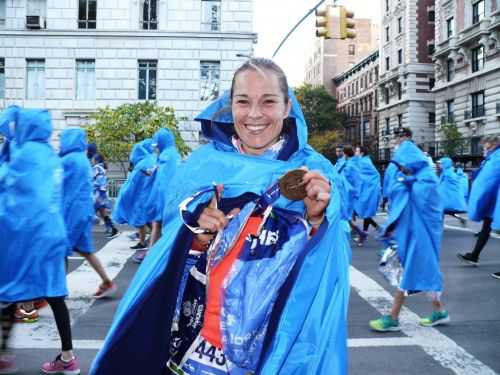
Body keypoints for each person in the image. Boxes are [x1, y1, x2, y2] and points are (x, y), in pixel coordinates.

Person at [89, 58, 351, 375]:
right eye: (243, 102)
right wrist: (197, 230)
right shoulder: (201, 164)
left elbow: (327, 271)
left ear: (287, 107)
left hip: (269, 351)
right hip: (194, 343)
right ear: (230, 106)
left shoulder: (316, 173)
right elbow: (170, 250)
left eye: (268, 102)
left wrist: (317, 220)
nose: (254, 114)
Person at [0, 108, 80, 374]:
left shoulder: (22, 156)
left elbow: (8, 186)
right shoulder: (52, 157)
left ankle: (3, 351)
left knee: (8, 292)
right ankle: (68, 358)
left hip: (26, 237)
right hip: (53, 236)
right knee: (55, 296)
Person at [370, 127, 449, 332]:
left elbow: (427, 202)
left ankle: (392, 317)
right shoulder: (413, 179)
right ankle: (439, 311)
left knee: (410, 273)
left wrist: (408, 181)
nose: (401, 169)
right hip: (411, 234)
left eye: (403, 165)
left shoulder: (424, 180)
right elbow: (397, 196)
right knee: (420, 271)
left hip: (419, 235)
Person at [59, 127, 117, 299]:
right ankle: (107, 281)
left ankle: (57, 290)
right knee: (85, 250)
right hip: (83, 212)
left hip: (71, 212)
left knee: (60, 249)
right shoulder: (82, 160)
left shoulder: (68, 160)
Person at [457, 136, 500, 275]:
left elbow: (489, 181)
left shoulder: (496, 158)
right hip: (493, 202)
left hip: (495, 201)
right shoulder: (492, 159)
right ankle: (474, 255)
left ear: (492, 145)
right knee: (485, 228)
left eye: (485, 146)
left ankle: (474, 255)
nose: (483, 149)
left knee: (487, 228)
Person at [112, 139, 156, 262]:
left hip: (143, 198)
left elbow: (133, 184)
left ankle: (149, 245)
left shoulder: (142, 164)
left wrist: (124, 196)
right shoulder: (152, 160)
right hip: (150, 197)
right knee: (148, 222)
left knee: (147, 222)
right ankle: (144, 242)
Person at [145, 128, 181, 249]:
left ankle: (153, 258)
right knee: (159, 227)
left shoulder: (166, 156)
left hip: (165, 201)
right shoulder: (173, 154)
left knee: (159, 227)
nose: (155, 149)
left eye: (157, 145)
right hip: (173, 199)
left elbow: (162, 183)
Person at [354, 146, 381, 236]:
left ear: (361, 153)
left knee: (363, 211)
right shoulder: (362, 161)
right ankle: (375, 228)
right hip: (366, 190)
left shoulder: (364, 162)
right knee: (364, 211)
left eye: (357, 151)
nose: (355, 152)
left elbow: (371, 175)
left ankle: (362, 232)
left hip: (368, 191)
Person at [92, 152, 119, 239]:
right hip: (102, 192)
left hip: (98, 192)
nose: (92, 160)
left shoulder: (96, 168)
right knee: (102, 212)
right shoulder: (102, 168)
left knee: (90, 211)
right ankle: (112, 228)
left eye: (93, 159)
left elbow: (91, 178)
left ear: (96, 160)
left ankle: (81, 232)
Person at [437, 157, 467, 226]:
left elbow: (451, 182)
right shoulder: (446, 172)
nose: (439, 165)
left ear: (446, 164)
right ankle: (461, 219)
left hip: (447, 198)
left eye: (441, 164)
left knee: (441, 211)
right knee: (446, 211)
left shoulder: (447, 173)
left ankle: (439, 225)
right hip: (446, 197)